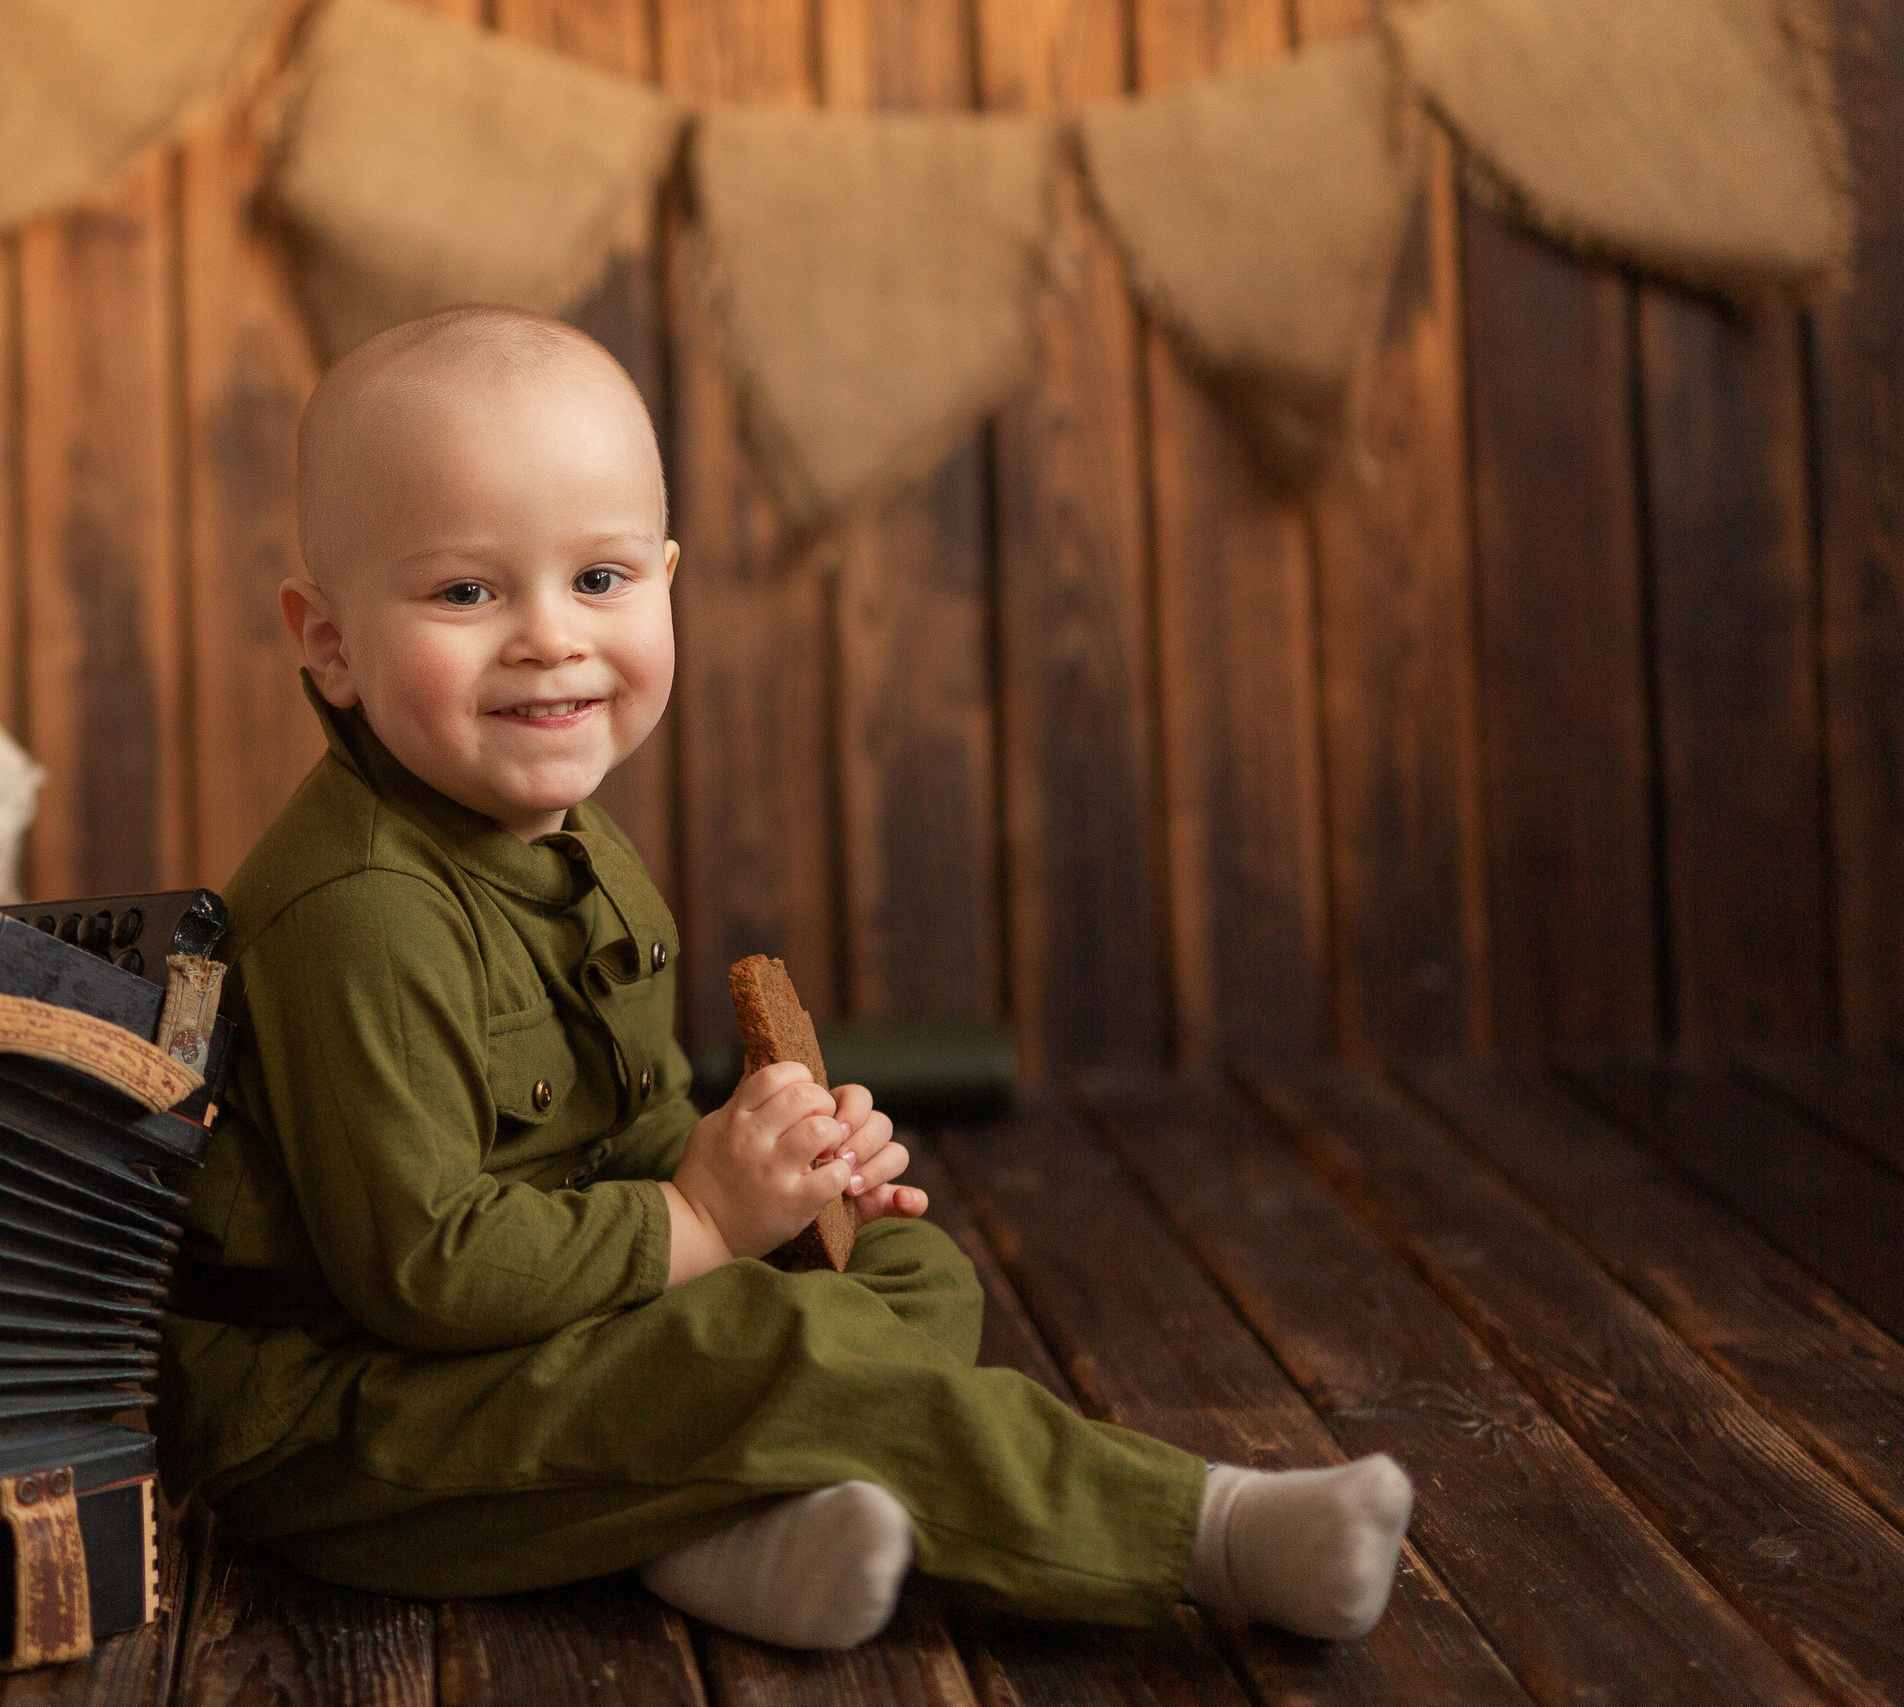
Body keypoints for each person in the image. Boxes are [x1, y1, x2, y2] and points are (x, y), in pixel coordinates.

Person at [153, 303, 1412, 1649]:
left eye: (602, 579)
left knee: (909, 1276)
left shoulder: (573, 850)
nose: (550, 638)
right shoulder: (361, 913)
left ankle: (728, 1529)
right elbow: (428, 1272)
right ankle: (1204, 1532)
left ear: (668, 579)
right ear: (330, 640)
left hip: (531, 1338)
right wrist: (701, 1219)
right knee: (774, 1348)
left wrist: (773, 1168)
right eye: (467, 591)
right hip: (355, 1421)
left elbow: (611, 1134)